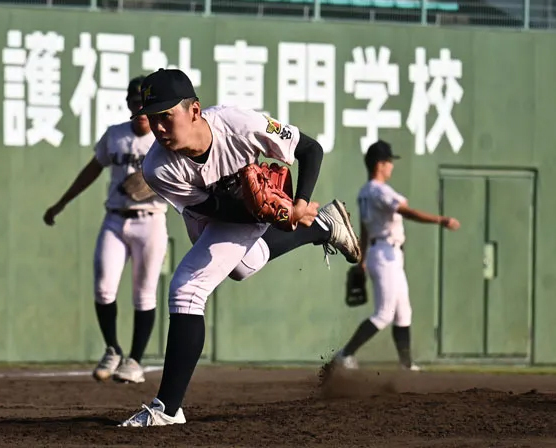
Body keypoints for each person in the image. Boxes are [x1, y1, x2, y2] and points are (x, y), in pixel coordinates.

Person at [119, 68, 360, 427]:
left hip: (254, 209)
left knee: (187, 288)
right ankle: (323, 226)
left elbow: (310, 149)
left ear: (195, 111)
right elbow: (213, 211)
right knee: (242, 267)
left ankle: (167, 408)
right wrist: (272, 210)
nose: (159, 128)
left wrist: (298, 202)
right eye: (152, 119)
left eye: (166, 116)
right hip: (215, 215)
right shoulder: (158, 167)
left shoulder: (239, 122)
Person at [43, 76, 168, 385]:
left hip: (151, 220)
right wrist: (62, 203)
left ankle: (135, 361)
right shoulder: (115, 136)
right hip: (115, 218)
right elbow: (91, 169)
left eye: (145, 103)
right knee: (103, 287)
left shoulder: (163, 139)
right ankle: (112, 349)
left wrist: (152, 187)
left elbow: (184, 177)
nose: (140, 108)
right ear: (128, 105)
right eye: (135, 102)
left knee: (144, 294)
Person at [332, 140, 460, 371]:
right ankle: (345, 354)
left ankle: (406, 364)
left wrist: (361, 261)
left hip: (381, 252)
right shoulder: (380, 190)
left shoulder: (364, 191)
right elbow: (406, 211)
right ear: (380, 164)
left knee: (404, 313)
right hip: (385, 254)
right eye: (389, 162)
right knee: (384, 313)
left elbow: (364, 228)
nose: (392, 166)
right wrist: (441, 220)